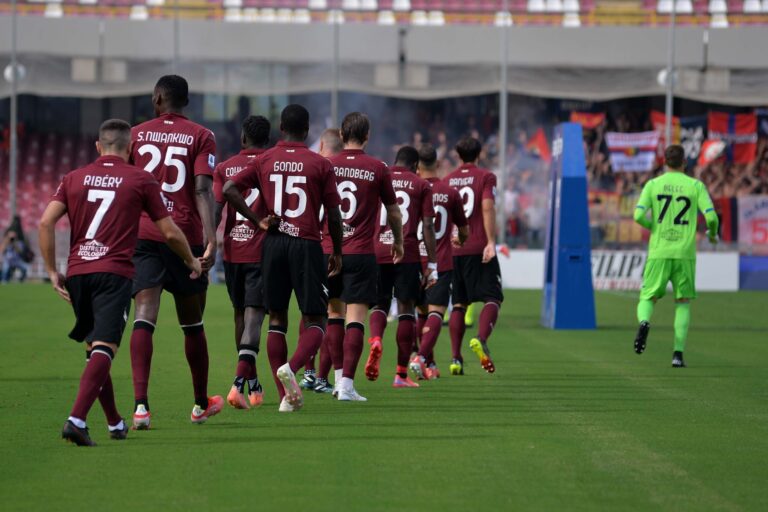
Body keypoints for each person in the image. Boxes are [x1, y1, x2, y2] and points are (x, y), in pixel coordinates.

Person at [38, 119, 202, 446]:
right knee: (105, 349)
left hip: (79, 273)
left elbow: (45, 221)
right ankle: (76, 419)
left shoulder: (73, 178)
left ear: (98, 147)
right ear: (130, 149)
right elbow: (169, 231)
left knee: (95, 352)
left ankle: (114, 423)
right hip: (113, 273)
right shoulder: (140, 179)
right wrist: (190, 259)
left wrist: (52, 270)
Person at [224, 104, 343, 412]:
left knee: (277, 319)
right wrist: (338, 251)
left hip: (273, 245)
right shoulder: (320, 164)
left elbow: (229, 188)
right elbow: (333, 213)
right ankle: (292, 368)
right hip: (305, 244)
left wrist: (256, 220)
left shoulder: (265, 159)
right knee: (316, 319)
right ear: (307, 130)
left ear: (280, 129)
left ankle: (284, 398)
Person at [129, 75, 222, 429]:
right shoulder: (201, 135)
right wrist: (213, 239)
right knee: (192, 323)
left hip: (145, 234)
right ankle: (200, 403)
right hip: (185, 236)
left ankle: (141, 408)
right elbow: (202, 189)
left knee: (144, 314)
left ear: (157, 98)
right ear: (187, 102)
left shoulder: (136, 134)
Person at [324, 112, 403, 401]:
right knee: (355, 318)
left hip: (329, 250)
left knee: (334, 314)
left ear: (342, 136)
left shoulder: (327, 165)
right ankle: (346, 385)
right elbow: (393, 210)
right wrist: (398, 241)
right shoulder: (378, 167)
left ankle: (335, 381)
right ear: (367, 136)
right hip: (360, 253)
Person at [633, 144, 719, 367]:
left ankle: (644, 322)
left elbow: (637, 215)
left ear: (664, 162)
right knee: (682, 303)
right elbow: (711, 218)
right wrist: (712, 234)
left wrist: (653, 226)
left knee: (647, 297)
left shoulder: (653, 185)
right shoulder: (695, 186)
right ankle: (677, 355)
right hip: (684, 253)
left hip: (659, 251)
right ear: (684, 163)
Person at [213, 115, 271, 410]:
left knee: (240, 314)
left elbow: (215, 208)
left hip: (233, 250)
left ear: (242, 139)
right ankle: (239, 383)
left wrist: (211, 241)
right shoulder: (272, 164)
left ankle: (254, 382)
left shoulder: (224, 167)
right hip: (263, 251)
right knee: (255, 316)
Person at [367, 145, 437, 388]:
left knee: (379, 304)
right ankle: (400, 375)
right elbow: (427, 226)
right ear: (416, 166)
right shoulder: (421, 185)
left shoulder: (380, 178)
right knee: (406, 308)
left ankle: (375, 338)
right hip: (406, 253)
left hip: (377, 250)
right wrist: (433, 262)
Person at [445, 136, 504, 375]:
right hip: (479, 247)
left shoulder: (448, 180)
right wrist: (491, 241)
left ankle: (455, 358)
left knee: (458, 304)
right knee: (493, 298)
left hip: (454, 249)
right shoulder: (485, 177)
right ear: (479, 155)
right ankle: (480, 338)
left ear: (458, 156)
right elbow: (487, 206)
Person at [411, 144, 468, 380]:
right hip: (441, 261)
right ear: (437, 164)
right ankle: (421, 357)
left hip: (414, 260)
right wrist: (460, 239)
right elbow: (464, 229)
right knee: (436, 313)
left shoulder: (412, 189)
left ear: (417, 166)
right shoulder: (450, 192)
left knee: (420, 313)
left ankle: (429, 363)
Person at [299, 127, 344, 394]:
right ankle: (323, 378)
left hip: (315, 248)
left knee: (310, 312)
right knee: (336, 314)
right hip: (345, 249)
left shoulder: (313, 169)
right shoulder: (360, 168)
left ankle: (308, 372)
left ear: (322, 146)